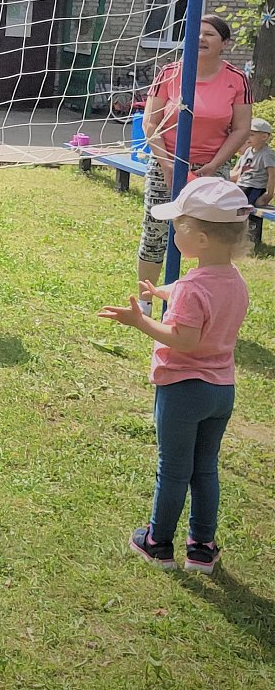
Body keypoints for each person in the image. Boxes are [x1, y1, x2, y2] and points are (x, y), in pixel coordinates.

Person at [99, 177, 250, 575]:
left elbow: (184, 338)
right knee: (205, 467)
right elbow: (197, 296)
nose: (173, 232)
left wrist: (140, 322)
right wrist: (164, 293)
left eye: (179, 226)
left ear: (200, 239)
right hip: (221, 390)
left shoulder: (192, 289)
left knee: (173, 469)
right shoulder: (233, 281)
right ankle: (201, 547)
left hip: (183, 390)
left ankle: (158, 542)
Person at [138, 13, 252, 315]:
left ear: (224, 43)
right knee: (156, 232)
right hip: (166, 162)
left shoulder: (236, 79)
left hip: (212, 168)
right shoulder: (169, 73)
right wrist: (167, 164)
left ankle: (205, 300)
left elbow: (242, 128)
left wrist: (214, 165)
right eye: (196, 33)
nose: (201, 39)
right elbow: (150, 123)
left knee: (211, 236)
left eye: (209, 34)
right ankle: (146, 300)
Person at [228, 116, 274, 245]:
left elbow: (272, 175)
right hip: (242, 185)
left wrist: (269, 194)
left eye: (252, 135)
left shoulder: (267, 154)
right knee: (236, 210)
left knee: (251, 211)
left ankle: (253, 239)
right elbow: (238, 172)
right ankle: (236, 237)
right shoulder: (248, 151)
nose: (248, 137)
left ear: (264, 137)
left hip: (255, 187)